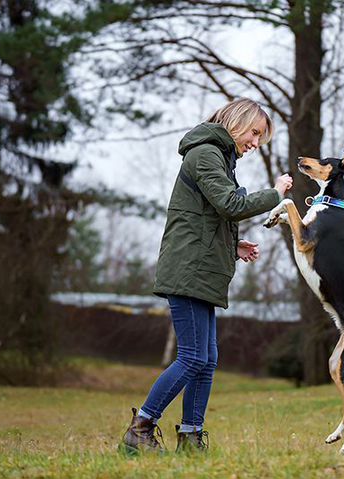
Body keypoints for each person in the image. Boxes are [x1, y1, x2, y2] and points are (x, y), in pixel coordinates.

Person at [119, 98, 293, 455]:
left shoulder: (219, 158)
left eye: (261, 138)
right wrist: (275, 194)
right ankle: (141, 429)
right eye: (255, 133)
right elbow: (231, 205)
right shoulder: (205, 153)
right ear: (236, 121)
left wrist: (234, 245)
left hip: (200, 269)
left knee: (207, 358)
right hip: (188, 271)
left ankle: (192, 437)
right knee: (193, 357)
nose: (255, 143)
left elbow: (208, 217)